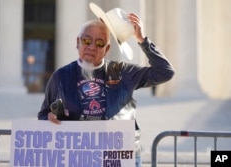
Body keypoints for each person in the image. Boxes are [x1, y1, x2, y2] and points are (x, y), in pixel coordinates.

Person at [38, 12, 175, 167]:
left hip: (121, 157)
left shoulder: (123, 72)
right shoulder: (61, 77)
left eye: (99, 43)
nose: (91, 47)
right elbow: (44, 114)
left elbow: (165, 72)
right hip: (80, 158)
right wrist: (50, 119)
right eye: (87, 40)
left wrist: (143, 41)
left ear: (107, 48)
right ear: (78, 42)